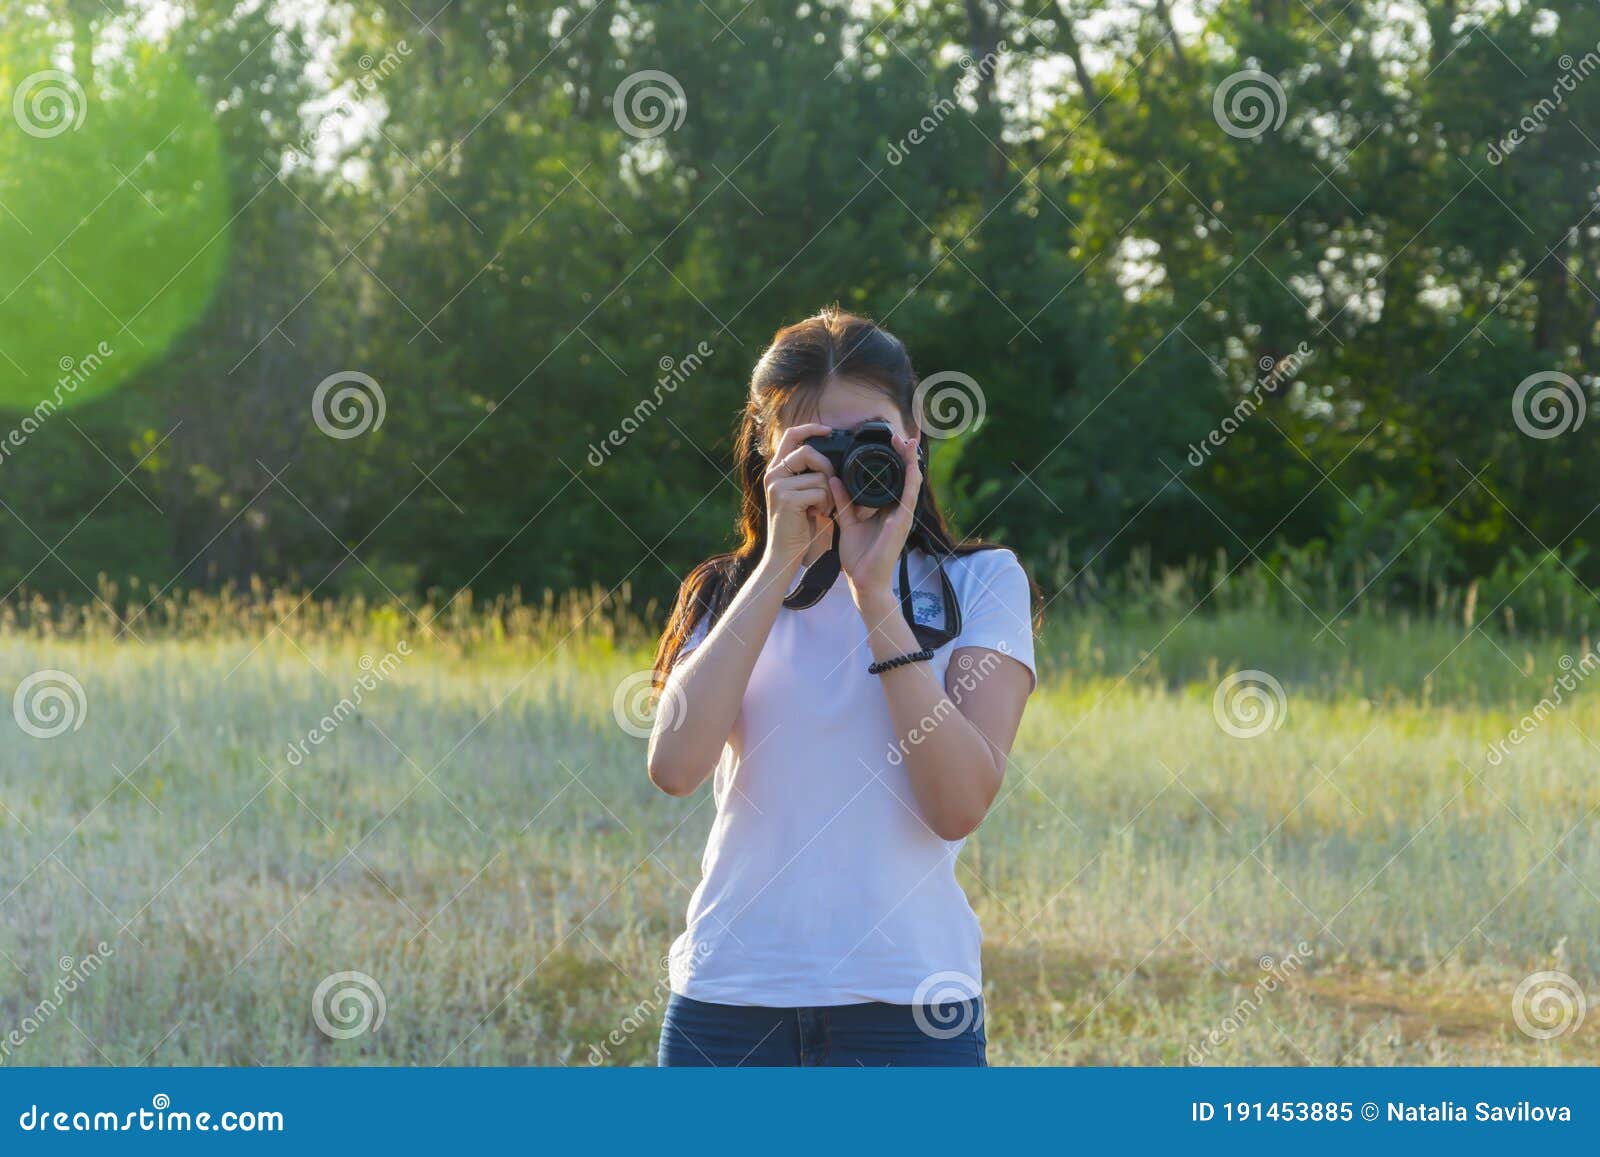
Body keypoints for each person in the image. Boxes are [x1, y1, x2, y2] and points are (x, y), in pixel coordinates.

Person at [647, 307, 1036, 1066]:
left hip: (910, 1007)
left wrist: (876, 596)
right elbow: (674, 766)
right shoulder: (730, 593)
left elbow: (958, 804)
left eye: (869, 437)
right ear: (770, 452)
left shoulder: (981, 582)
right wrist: (777, 564)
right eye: (817, 445)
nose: (845, 464)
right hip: (731, 1001)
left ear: (912, 441)